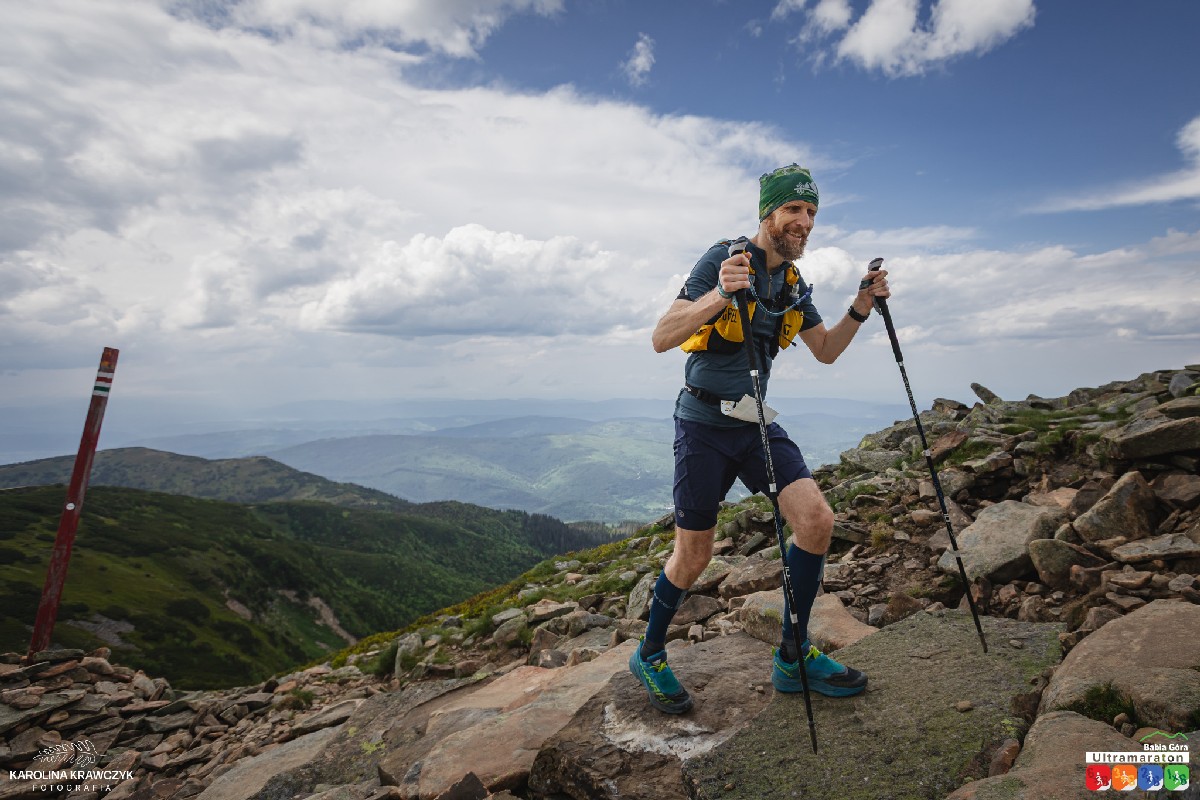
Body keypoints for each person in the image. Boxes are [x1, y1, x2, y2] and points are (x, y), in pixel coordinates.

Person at [629, 164, 890, 714]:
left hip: (754, 424)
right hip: (702, 423)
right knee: (694, 555)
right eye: (794, 209)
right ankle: (649, 654)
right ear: (768, 213)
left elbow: (826, 349)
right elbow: (661, 337)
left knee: (816, 521)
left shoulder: (792, 283)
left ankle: (793, 657)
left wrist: (860, 307)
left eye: (812, 212)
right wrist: (719, 296)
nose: (805, 222)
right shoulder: (724, 258)